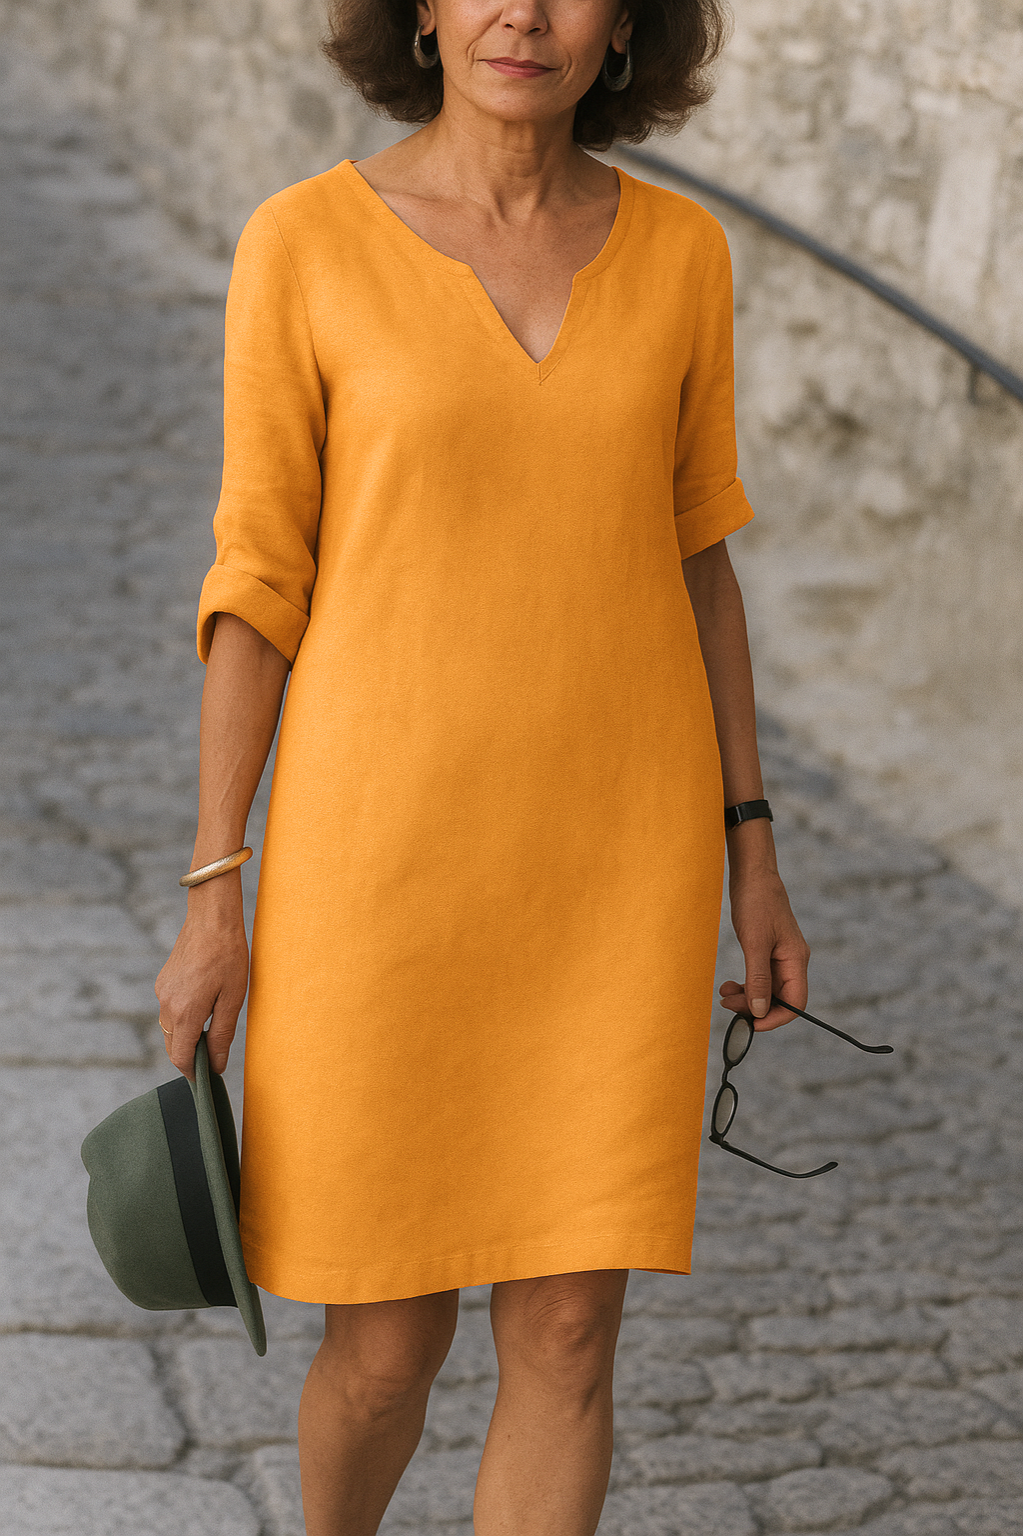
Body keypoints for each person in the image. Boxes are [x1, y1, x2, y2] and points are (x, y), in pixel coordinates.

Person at [155, 1, 810, 1531]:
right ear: (422, 15)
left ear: (627, 29)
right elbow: (257, 581)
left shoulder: (685, 256)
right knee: (384, 1348)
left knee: (570, 1338)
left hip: (618, 875)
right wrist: (214, 891)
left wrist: (755, 849)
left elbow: (701, 561)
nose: (524, 13)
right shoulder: (305, 243)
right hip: (378, 876)